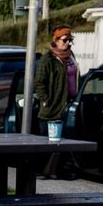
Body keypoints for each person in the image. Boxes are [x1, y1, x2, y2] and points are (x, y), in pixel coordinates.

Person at [33, 25, 79, 175]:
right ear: (56, 40)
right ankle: (43, 170)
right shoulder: (48, 59)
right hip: (52, 107)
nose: (68, 43)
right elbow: (39, 82)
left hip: (69, 105)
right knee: (48, 141)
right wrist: (45, 100)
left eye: (70, 40)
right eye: (65, 40)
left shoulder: (71, 57)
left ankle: (59, 170)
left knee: (64, 141)